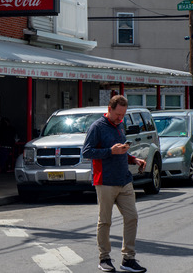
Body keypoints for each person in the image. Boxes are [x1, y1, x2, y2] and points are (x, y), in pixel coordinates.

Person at [81, 95, 147, 273]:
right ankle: (104, 258)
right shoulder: (97, 127)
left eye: (123, 115)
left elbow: (121, 151)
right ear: (109, 109)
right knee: (105, 222)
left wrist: (133, 159)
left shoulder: (120, 125)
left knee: (132, 217)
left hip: (124, 180)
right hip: (105, 182)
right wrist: (110, 151)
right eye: (118, 114)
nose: (120, 118)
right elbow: (86, 152)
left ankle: (128, 259)